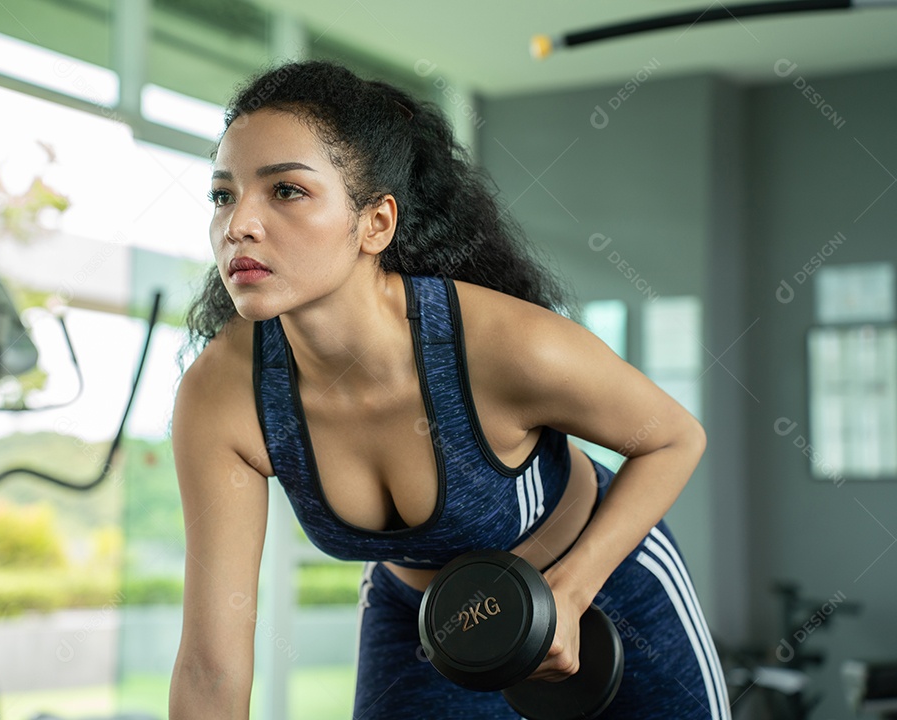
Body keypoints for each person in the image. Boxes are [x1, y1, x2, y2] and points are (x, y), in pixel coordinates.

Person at [168, 59, 730, 720]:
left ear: (375, 222)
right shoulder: (222, 397)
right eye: (222, 194)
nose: (238, 224)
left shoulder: (504, 346)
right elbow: (211, 664)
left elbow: (673, 438)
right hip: (425, 626)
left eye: (285, 191)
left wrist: (572, 593)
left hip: (608, 590)